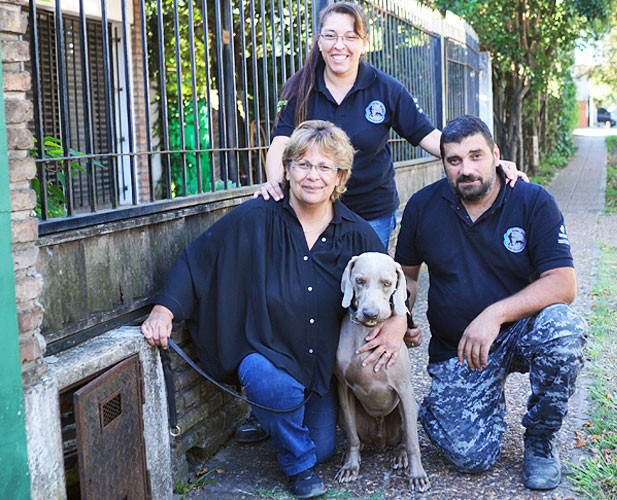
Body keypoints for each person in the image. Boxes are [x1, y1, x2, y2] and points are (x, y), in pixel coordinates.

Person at [141, 120, 407, 499]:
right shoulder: (256, 217)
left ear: (340, 177)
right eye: (302, 164)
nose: (312, 176)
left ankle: (276, 420)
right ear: (287, 169)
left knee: (324, 448)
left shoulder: (357, 234)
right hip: (268, 354)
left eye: (324, 167)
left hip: (319, 370)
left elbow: (389, 283)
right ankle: (298, 468)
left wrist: (399, 321)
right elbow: (199, 258)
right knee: (270, 388)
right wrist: (164, 310)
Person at [393, 115, 587, 490]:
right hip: (460, 348)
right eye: (454, 160)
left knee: (564, 329)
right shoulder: (421, 206)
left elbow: (563, 284)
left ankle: (541, 439)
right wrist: (401, 318)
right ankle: (451, 403)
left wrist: (494, 314)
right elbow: (408, 275)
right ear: (443, 163)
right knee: (470, 458)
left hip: (520, 333)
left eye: (476, 156)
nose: (466, 169)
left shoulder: (532, 201)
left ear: (496, 155)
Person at [255, 1, 523, 248]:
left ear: (364, 43)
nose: (340, 45)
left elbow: (428, 135)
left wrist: (485, 162)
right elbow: (281, 141)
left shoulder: (386, 89)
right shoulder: (299, 88)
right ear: (319, 41)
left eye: (350, 37)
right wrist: (275, 183)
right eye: (330, 36)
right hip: (311, 211)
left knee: (366, 296)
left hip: (372, 213)